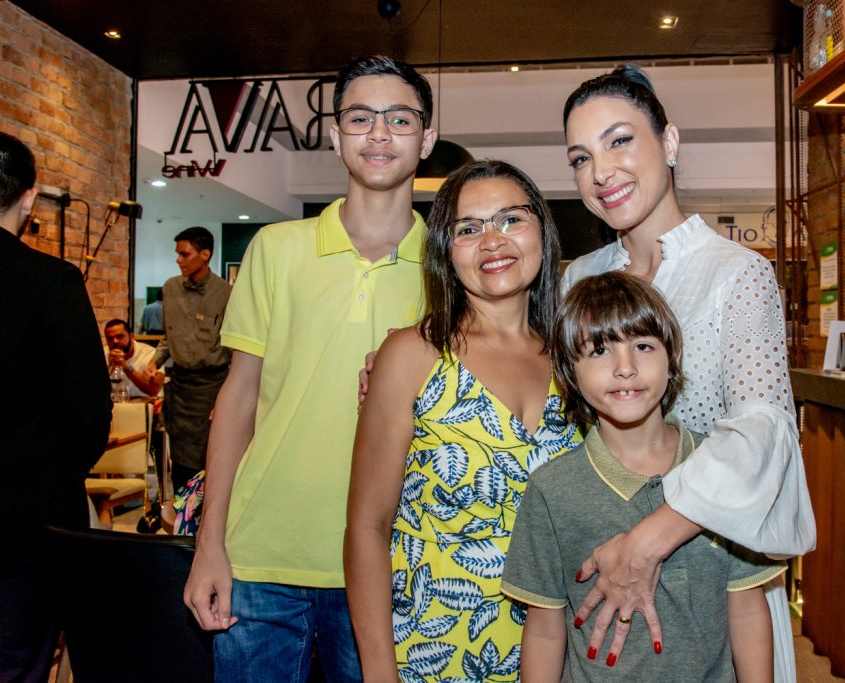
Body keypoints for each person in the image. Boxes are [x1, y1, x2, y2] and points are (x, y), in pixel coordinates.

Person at [183, 55, 437, 683]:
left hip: (392, 564)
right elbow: (238, 399)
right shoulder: (276, 248)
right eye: (360, 117)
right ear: (334, 134)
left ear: (426, 137)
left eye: (399, 118)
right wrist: (210, 540)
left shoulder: (450, 266)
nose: (379, 134)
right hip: (262, 558)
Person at [559, 66, 816, 680]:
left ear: (669, 143)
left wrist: (645, 543)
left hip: (717, 569)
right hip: (601, 556)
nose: (601, 172)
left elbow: (764, 433)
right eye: (581, 157)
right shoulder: (580, 278)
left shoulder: (736, 273)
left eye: (620, 140)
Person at [345, 159, 580, 682]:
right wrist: (379, 673)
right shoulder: (413, 355)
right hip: (433, 648)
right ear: (446, 254)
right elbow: (367, 526)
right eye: (468, 229)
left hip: (560, 651)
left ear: (542, 229)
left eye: (511, 219)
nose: (492, 240)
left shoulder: (578, 360)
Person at [502, 271, 784, 682]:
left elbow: (746, 607)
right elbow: (545, 630)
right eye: (599, 351)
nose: (626, 368)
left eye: (643, 346)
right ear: (569, 373)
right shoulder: (552, 489)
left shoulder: (720, 466)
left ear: (672, 360)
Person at [0, 130, 112, 682]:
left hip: (26, 513)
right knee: (14, 665)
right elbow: (89, 413)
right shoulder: (51, 282)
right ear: (28, 198)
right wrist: (54, 476)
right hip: (25, 522)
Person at [151, 226, 231, 496]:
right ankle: (181, 524)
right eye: (178, 255)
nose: (178, 260)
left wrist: (225, 398)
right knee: (181, 462)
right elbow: (167, 336)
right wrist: (153, 363)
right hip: (180, 388)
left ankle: (205, 524)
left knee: (209, 460)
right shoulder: (170, 288)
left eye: (184, 254)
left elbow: (235, 350)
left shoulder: (226, 294)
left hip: (211, 388)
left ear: (205, 254)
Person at [104, 318, 164, 397]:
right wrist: (109, 368)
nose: (115, 341)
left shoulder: (150, 354)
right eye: (110, 338)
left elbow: (153, 391)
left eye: (120, 336)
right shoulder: (104, 354)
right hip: (116, 405)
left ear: (131, 336)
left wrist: (125, 366)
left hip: (145, 405)